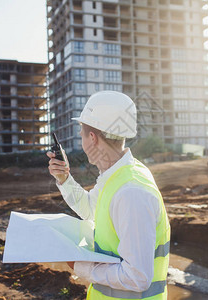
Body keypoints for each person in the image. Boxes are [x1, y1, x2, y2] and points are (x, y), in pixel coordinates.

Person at [47, 91, 170, 299]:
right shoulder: (115, 177)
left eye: (81, 133)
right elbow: (90, 210)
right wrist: (64, 179)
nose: (80, 139)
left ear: (92, 138)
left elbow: (137, 277)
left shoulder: (131, 191)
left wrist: (81, 266)